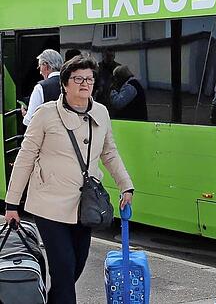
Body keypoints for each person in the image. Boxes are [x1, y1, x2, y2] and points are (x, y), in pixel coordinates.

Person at [4, 55, 134, 304]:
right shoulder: (46, 114)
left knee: (74, 268)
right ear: (64, 84)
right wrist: (12, 204)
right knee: (63, 269)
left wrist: (125, 185)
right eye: (78, 79)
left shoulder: (101, 113)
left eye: (89, 79)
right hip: (48, 205)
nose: (85, 83)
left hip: (84, 207)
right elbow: (25, 158)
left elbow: (109, 153)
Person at [22, 49, 63, 126]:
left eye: (39, 66)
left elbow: (29, 120)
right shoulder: (72, 83)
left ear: (46, 66)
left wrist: (25, 115)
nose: (40, 72)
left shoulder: (40, 87)